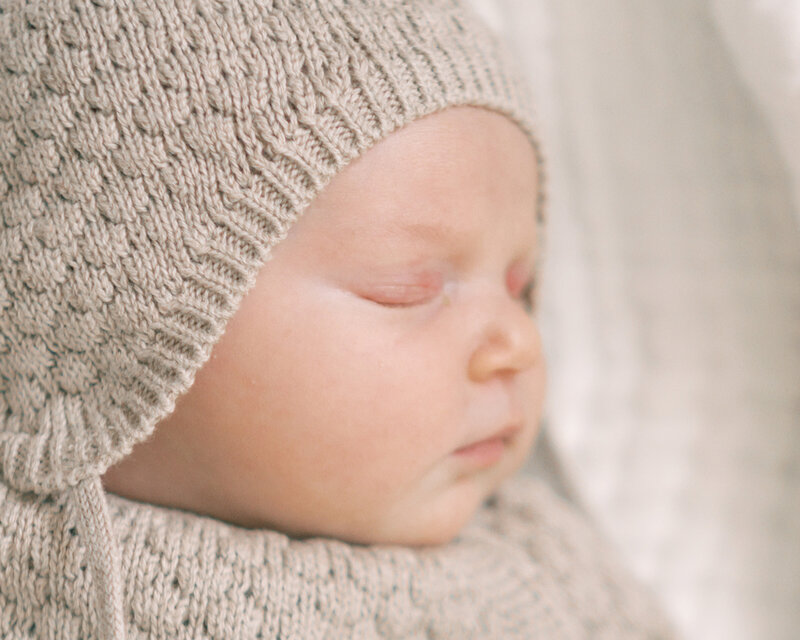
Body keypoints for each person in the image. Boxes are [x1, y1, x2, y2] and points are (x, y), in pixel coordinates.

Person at [0, 0, 679, 638]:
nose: (520, 344)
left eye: (521, 288)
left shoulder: (551, 574)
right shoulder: (43, 576)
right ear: (111, 318)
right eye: (406, 290)